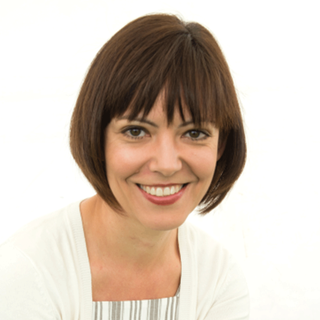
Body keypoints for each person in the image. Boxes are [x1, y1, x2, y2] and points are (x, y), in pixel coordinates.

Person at [0, 13, 249, 320]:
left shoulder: (218, 281)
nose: (167, 165)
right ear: (97, 137)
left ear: (221, 146)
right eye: (136, 131)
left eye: (194, 133)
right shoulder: (29, 271)